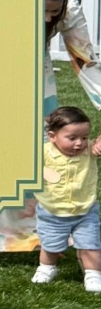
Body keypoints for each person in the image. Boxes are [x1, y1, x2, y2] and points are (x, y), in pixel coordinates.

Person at [0, 0, 101, 267]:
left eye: (53, 11)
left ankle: (43, 236)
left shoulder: (69, 11)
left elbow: (85, 60)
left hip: (39, 88)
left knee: (40, 161)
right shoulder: (0, 6)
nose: (47, 18)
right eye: (41, 10)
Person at [32, 105, 101, 290]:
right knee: (50, 245)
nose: (79, 143)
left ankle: (93, 274)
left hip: (85, 210)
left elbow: (97, 147)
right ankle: (47, 267)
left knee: (90, 244)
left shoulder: (89, 150)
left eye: (84, 137)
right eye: (72, 138)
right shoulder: (42, 153)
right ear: (52, 136)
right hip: (52, 210)